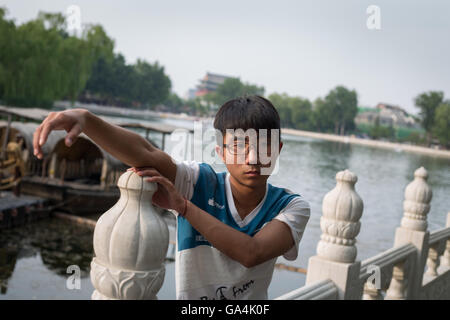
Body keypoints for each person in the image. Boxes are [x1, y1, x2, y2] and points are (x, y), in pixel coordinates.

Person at [33, 95, 310, 300]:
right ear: (221, 152)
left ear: (278, 150)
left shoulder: (291, 206)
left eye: (263, 147)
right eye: (239, 146)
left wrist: (185, 208)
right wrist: (87, 120)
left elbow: (252, 253)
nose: (252, 158)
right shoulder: (199, 182)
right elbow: (146, 152)